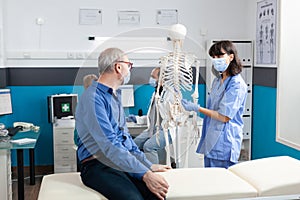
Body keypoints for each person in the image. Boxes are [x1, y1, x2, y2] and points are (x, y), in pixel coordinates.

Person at [76, 47, 171, 200]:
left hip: (118, 161)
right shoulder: (92, 98)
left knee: (156, 195)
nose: (130, 69)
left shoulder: (114, 97)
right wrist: (145, 174)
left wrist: (147, 165)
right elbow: (109, 144)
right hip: (97, 165)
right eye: (129, 65)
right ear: (118, 67)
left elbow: (125, 140)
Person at [181, 40, 248, 169]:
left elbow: (224, 116)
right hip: (212, 139)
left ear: (231, 56)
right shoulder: (217, 81)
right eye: (214, 57)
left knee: (221, 184)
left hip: (224, 142)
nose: (216, 60)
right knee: (210, 180)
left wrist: (197, 108)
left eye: (220, 56)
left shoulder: (237, 85)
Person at [133, 67, 172, 165]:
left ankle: (154, 172)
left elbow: (174, 117)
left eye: (153, 77)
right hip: (154, 128)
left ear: (161, 79)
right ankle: (139, 170)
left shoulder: (170, 94)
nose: (150, 79)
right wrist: (136, 119)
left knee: (148, 146)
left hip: (168, 130)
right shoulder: (156, 93)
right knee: (134, 144)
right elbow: (153, 115)